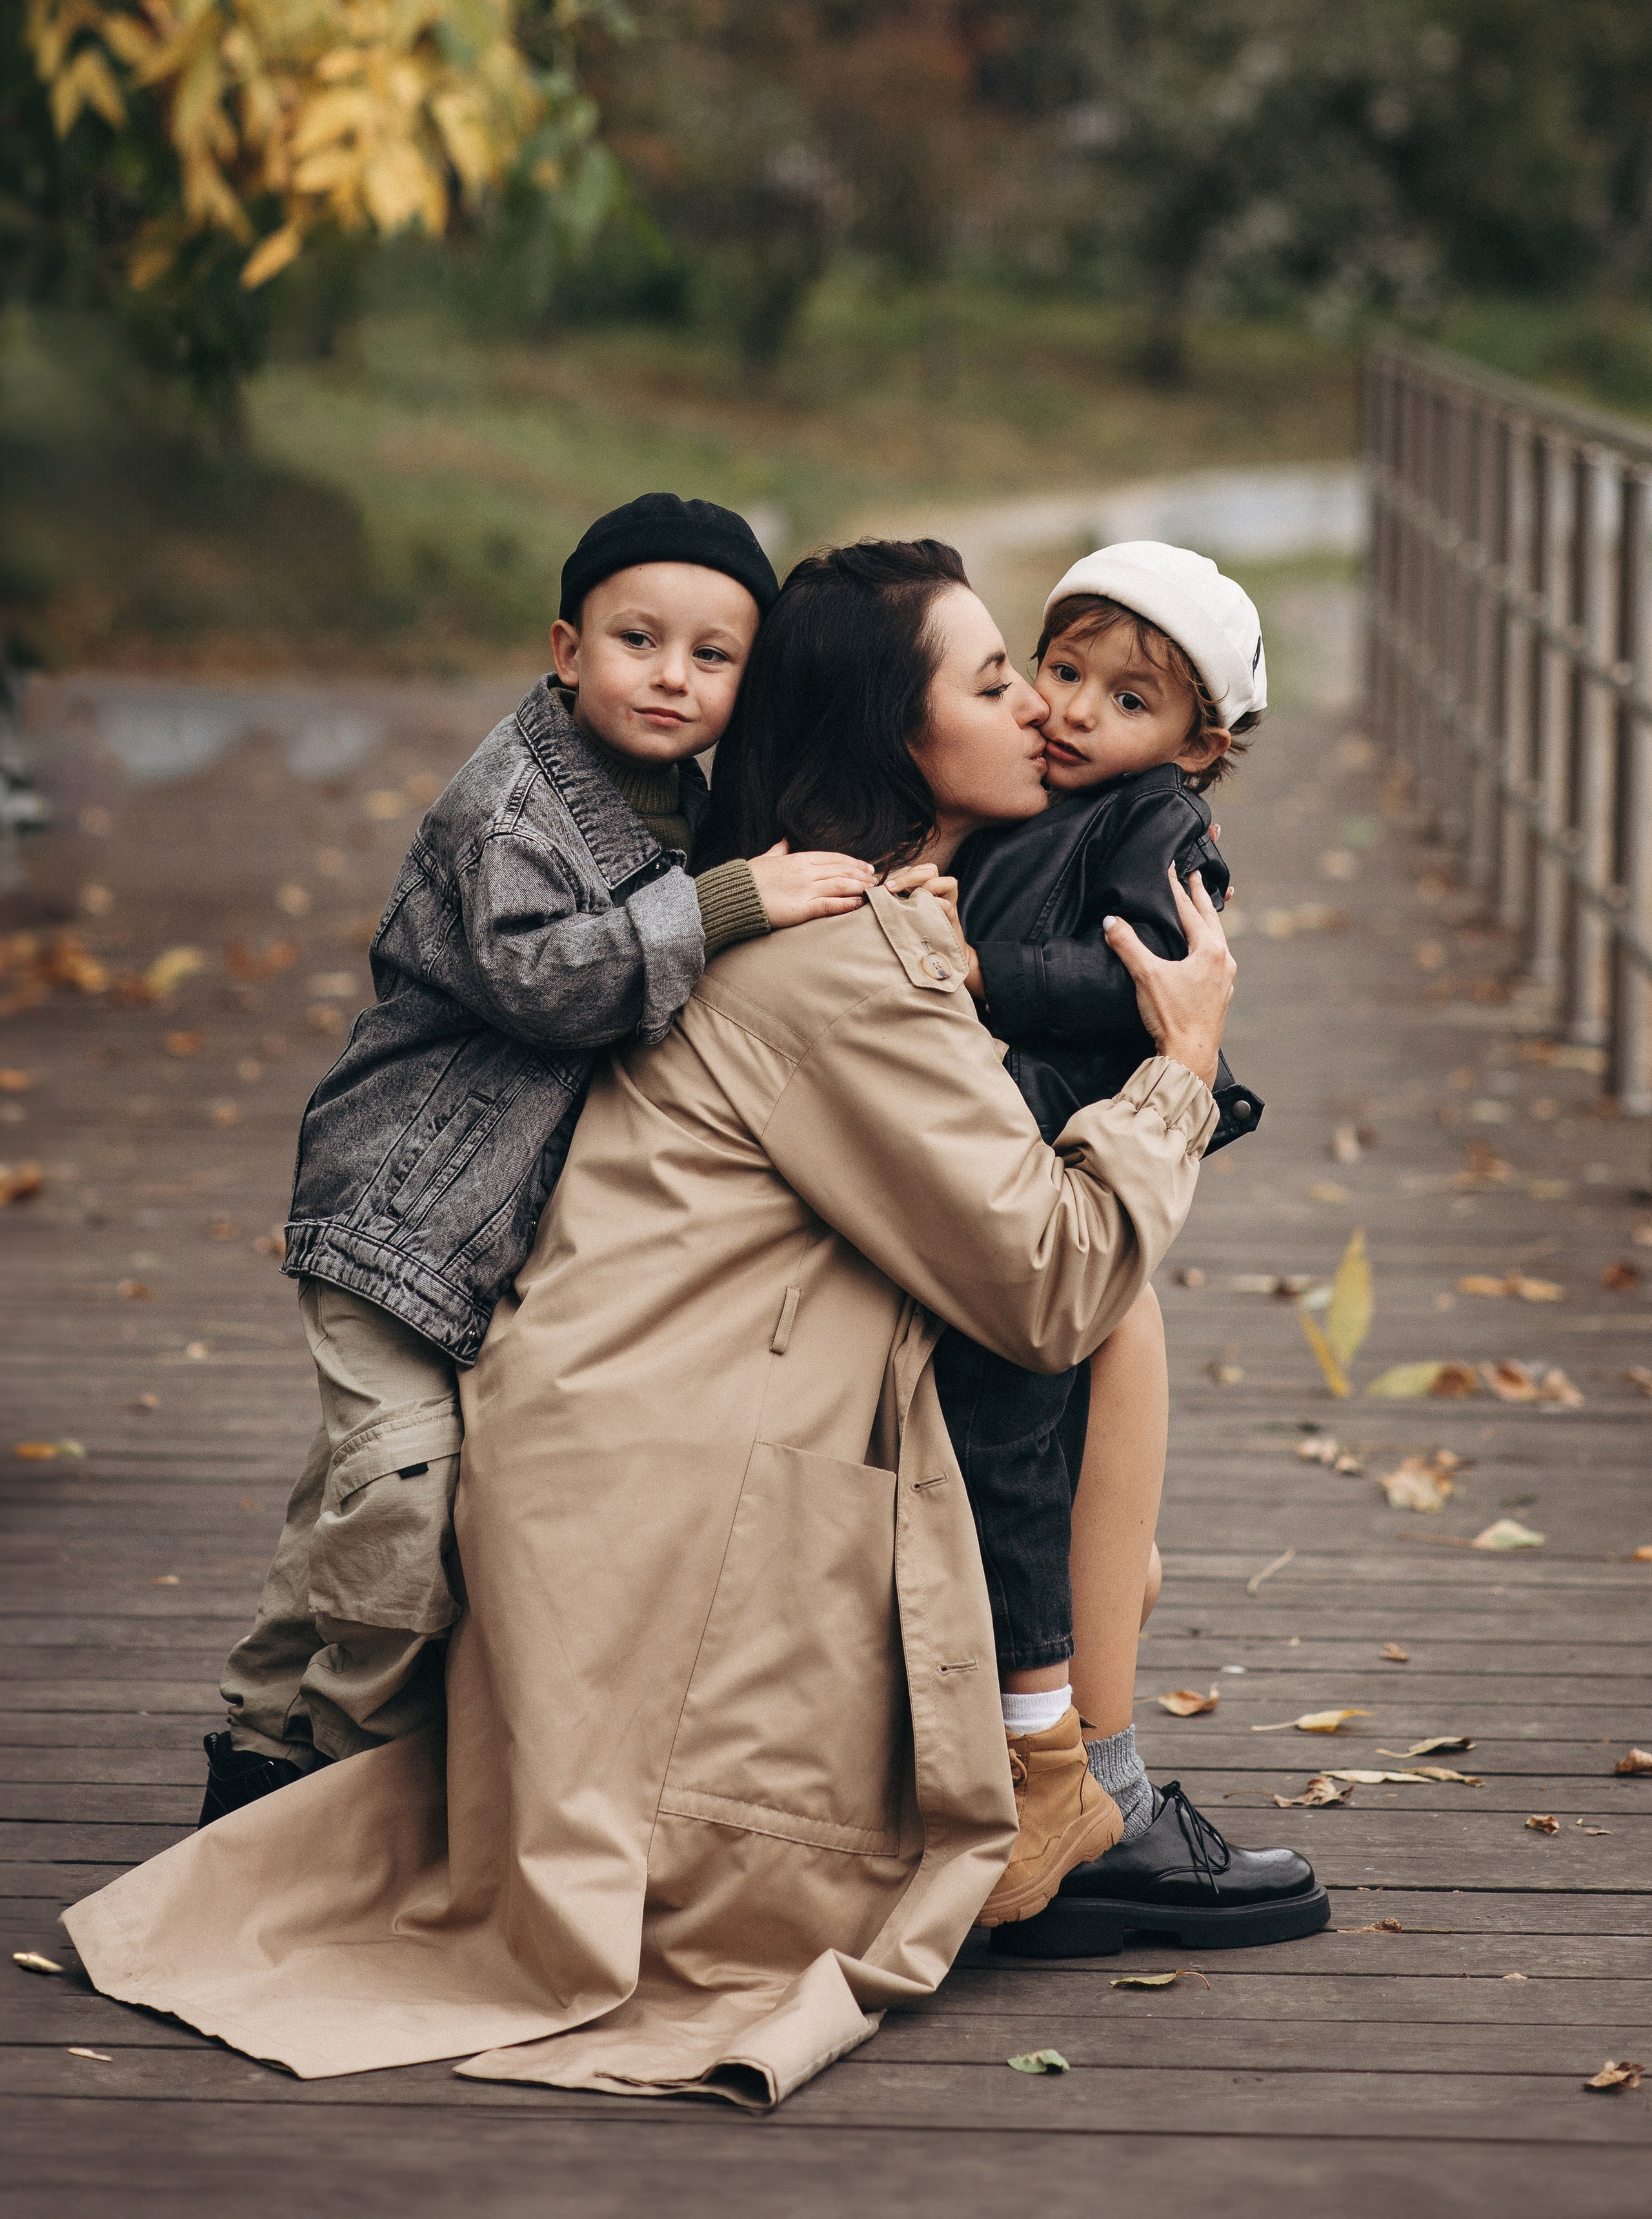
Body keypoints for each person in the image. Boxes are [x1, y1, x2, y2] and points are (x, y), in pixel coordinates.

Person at [65, 538, 1320, 2109]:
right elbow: (1046, 1279)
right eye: (1000, 678)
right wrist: (1182, 1062)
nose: (1042, 715)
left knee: (1103, 1320)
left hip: (630, 1455)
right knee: (1094, 1295)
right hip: (657, 1535)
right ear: (893, 736)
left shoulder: (851, 918)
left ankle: (1083, 1783)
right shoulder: (837, 964)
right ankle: (1073, 1798)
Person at [200, 492, 872, 1824]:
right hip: (395, 1212)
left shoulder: (687, 804)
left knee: (358, 1490)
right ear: (567, 650)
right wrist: (736, 902)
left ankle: (257, 1747)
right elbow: (541, 981)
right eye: (638, 639)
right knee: (403, 1505)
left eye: (711, 654)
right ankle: (339, 1775)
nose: (671, 676)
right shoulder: (508, 809)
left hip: (481, 1234)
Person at [932, 541, 1273, 1932]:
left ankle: (1076, 1773)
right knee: (1057, 1454)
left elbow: (1142, 974)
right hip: (1013, 1116)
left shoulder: (1150, 828)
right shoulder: (1028, 800)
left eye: (1121, 701)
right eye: (1059, 670)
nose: (1071, 711)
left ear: (1195, 747)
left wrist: (980, 970)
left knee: (1046, 1416)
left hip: (1069, 1113)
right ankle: (1069, 1767)